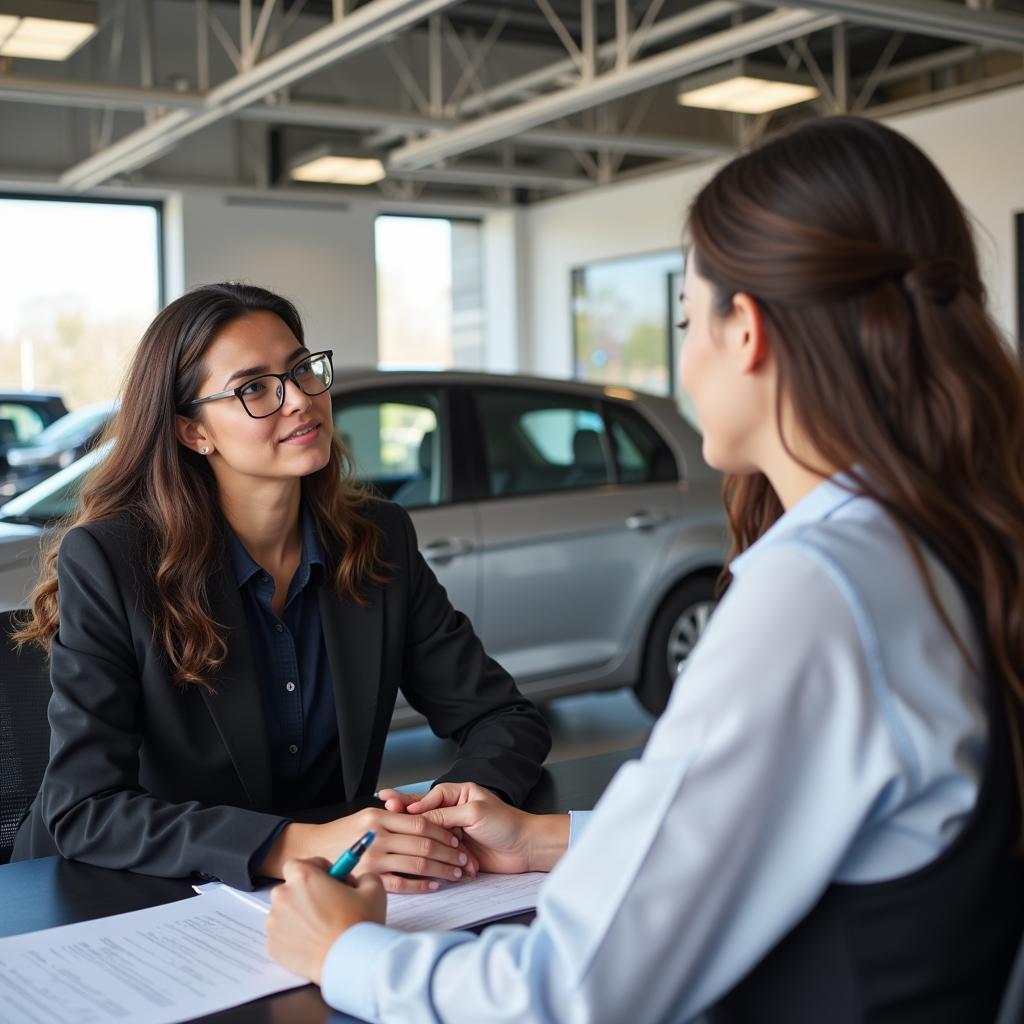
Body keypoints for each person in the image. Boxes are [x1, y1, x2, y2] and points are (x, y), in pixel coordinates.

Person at [264, 115, 1024, 1022]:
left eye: (684, 317)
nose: (684, 358)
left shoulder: (819, 592)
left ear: (745, 331)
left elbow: (573, 995)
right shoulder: (934, 545)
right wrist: (549, 838)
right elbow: (781, 839)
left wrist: (345, 950)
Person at [11, 283, 551, 892]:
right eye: (255, 388)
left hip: (310, 892)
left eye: (301, 370)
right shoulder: (113, 561)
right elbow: (86, 810)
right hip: (116, 896)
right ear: (194, 431)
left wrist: (462, 809)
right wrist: (303, 844)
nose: (298, 399)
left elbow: (502, 716)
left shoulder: (378, 539)